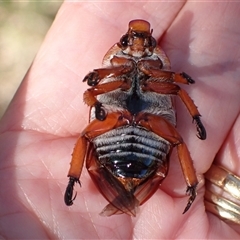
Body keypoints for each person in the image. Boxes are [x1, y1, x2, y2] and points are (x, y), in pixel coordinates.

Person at [0, 2, 239, 239]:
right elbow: (91, 92)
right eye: (128, 43)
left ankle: (190, 185)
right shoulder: (112, 72)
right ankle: (73, 178)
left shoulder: (157, 75)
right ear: (119, 47)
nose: (137, 48)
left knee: (173, 126)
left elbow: (175, 86)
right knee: (107, 135)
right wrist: (97, 95)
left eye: (148, 44)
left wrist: (194, 115)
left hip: (128, 130)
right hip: (132, 132)